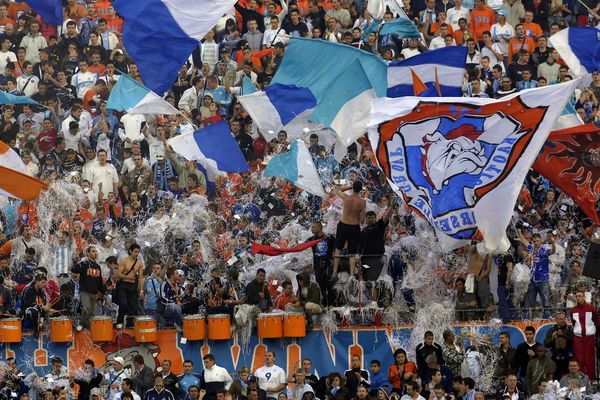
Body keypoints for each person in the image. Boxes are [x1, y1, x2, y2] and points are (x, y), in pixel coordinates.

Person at [358, 200, 395, 308]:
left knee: (373, 281)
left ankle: (375, 304)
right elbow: (359, 246)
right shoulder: (363, 231)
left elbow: (386, 217)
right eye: (368, 217)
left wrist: (391, 206)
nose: (370, 219)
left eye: (372, 217)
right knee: (367, 281)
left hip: (376, 259)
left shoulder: (379, 226)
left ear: (375, 218)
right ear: (365, 219)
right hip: (364, 261)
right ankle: (374, 303)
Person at [333, 180, 366, 277]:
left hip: (343, 224)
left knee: (338, 248)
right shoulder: (362, 202)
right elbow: (363, 220)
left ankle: (334, 272)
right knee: (352, 252)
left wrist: (349, 187)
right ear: (360, 190)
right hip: (354, 227)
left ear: (353, 188)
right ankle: (352, 275)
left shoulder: (346, 198)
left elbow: (337, 189)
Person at [71, 245, 105, 329]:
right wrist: (75, 260)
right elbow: (74, 270)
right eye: (93, 251)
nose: (95, 253)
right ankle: (81, 324)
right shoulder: (83, 264)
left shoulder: (97, 266)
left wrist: (104, 292)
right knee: (87, 308)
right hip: (85, 292)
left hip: (94, 293)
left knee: (91, 313)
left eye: (95, 251)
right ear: (88, 253)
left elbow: (100, 281)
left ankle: (88, 328)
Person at [570, 290, 599, 378]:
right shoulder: (573, 310)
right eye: (577, 296)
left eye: (580, 296)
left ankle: (591, 380)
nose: (578, 298)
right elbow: (573, 323)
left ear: (584, 297)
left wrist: (596, 335)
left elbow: (597, 322)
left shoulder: (591, 308)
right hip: (578, 338)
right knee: (579, 360)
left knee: (590, 360)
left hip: (589, 338)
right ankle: (581, 381)